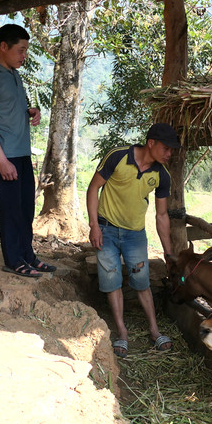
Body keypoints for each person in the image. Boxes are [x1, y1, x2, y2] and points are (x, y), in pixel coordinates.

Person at [86, 123, 181, 358]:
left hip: (135, 235)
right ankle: (122, 334)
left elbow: (161, 215)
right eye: (167, 149)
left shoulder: (161, 175)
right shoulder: (117, 156)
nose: (170, 154)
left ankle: (154, 331)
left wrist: (168, 254)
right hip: (106, 231)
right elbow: (93, 188)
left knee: (142, 282)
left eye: (172, 150)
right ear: (151, 143)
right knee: (112, 281)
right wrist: (94, 226)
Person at [0, 24, 56, 278]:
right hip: (3, 155)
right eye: (20, 50)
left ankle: (27, 255)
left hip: (20, 152)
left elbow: (7, 109)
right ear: (3, 46)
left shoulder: (13, 74)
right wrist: (1, 161)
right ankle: (13, 260)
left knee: (25, 208)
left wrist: (30, 111)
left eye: (26, 51)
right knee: (10, 209)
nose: (24, 56)